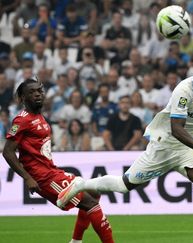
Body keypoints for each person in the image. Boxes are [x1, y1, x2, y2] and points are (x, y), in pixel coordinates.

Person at [57, 57, 193, 243]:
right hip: (164, 145)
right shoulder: (184, 91)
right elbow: (176, 128)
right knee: (123, 186)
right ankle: (81, 184)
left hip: (187, 149)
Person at [2, 78, 114, 243]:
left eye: (39, 91)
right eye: (31, 92)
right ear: (23, 98)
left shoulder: (39, 116)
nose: (37, 95)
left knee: (94, 193)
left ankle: (75, 241)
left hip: (51, 171)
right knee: (90, 203)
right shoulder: (22, 119)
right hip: (43, 177)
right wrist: (28, 178)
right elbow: (7, 152)